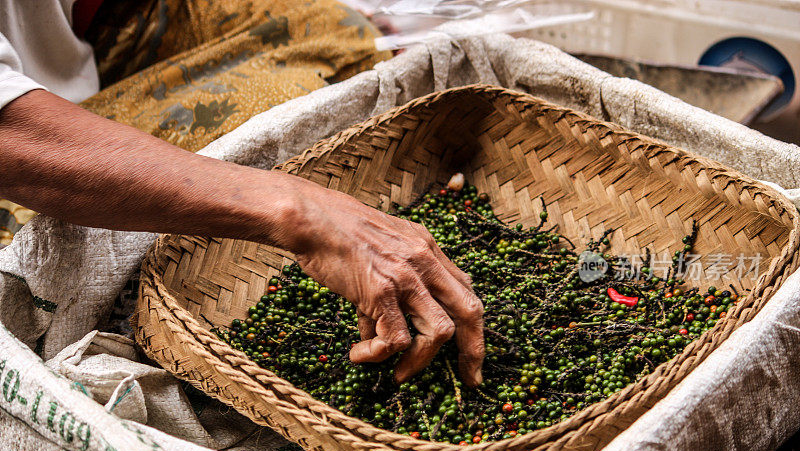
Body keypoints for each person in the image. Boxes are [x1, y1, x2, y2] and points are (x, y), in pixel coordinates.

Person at [0, 0, 485, 386]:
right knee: (279, 105)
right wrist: (302, 214)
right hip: (25, 137)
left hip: (79, 28)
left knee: (345, 38)